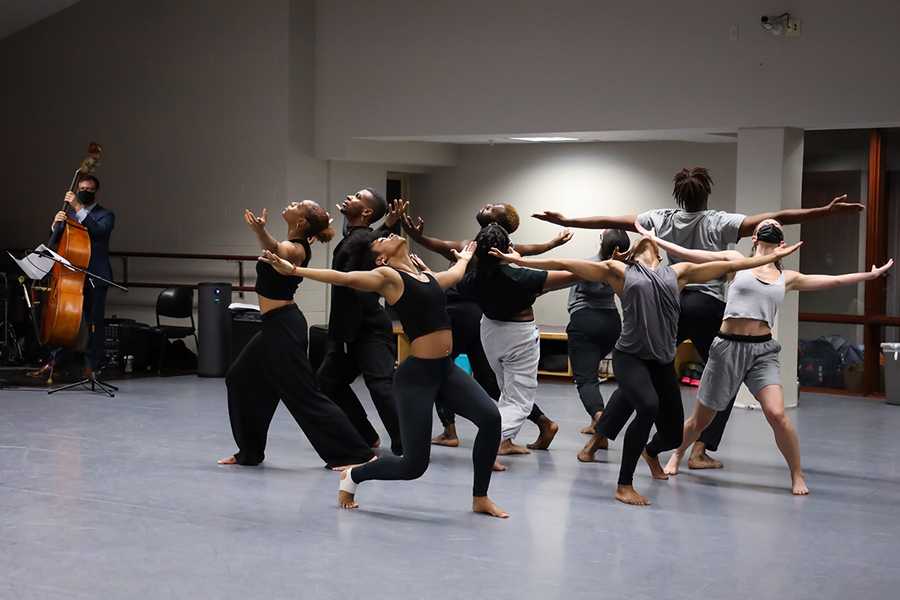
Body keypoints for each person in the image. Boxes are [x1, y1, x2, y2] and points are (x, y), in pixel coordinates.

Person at [533, 167, 865, 469]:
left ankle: (596, 440)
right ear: (706, 195)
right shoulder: (721, 221)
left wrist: (567, 222)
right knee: (728, 379)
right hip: (706, 307)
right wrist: (824, 211)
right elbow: (779, 215)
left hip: (671, 303)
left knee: (645, 368)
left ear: (678, 195)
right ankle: (700, 450)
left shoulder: (658, 218)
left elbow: (613, 221)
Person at [490, 234, 801, 505]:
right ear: (629, 252)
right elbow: (566, 264)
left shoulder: (678, 273)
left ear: (660, 254)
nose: (644, 238)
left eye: (649, 240)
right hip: (630, 357)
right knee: (647, 406)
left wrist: (771, 257)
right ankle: (624, 485)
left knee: (671, 432)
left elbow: (731, 267)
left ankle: (651, 452)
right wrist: (520, 261)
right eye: (639, 240)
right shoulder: (618, 271)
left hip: (662, 360)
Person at [635, 219, 893, 494]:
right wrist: (654, 240)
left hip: (763, 352)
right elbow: (690, 254)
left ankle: (797, 475)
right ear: (755, 238)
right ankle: (676, 455)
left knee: (777, 414)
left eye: (776, 227)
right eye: (765, 226)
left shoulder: (787, 277)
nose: (770, 227)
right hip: (727, 349)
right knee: (701, 421)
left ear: (782, 242)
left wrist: (870, 276)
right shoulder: (735, 261)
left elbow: (834, 280)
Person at [261, 235, 508, 518]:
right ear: (381, 259)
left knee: (490, 418)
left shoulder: (425, 277)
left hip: (446, 371)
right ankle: (354, 476)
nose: (388, 235)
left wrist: (464, 259)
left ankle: (480, 497)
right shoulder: (389, 277)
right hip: (417, 377)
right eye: (381, 240)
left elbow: (452, 275)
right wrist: (294, 270)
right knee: (413, 467)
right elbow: (345, 278)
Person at [401, 202, 572, 449]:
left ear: (496, 224)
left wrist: (419, 239)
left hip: (460, 315)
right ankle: (540, 423)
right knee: (490, 381)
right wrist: (551, 245)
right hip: (482, 320)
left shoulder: (472, 247)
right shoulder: (503, 247)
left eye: (493, 208)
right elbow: (530, 250)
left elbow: (440, 247)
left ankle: (451, 432)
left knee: (437, 368)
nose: (487, 205)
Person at [218, 201, 376, 470]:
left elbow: (278, 250)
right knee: (240, 378)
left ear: (301, 222)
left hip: (283, 328)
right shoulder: (297, 243)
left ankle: (356, 453)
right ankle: (250, 451)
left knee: (304, 395)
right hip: (273, 326)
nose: (292, 204)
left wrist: (260, 232)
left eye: (299, 205)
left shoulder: (296, 248)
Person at [457, 223, 581, 458]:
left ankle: (505, 442)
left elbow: (452, 281)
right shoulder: (519, 275)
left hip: (491, 333)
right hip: (517, 337)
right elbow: (575, 274)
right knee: (520, 402)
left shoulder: (472, 279)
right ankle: (491, 442)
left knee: (506, 390)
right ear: (507, 248)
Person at [316, 189, 404, 456]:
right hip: (347, 330)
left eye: (357, 197)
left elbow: (367, 242)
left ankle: (408, 442)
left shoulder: (363, 239)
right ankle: (366, 434)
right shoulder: (352, 237)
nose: (349, 197)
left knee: (380, 385)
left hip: (368, 327)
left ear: (366, 212)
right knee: (328, 380)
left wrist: (387, 226)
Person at [29, 175, 114, 379]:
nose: (84, 191)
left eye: (89, 189)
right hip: (69, 277)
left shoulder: (105, 215)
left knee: (93, 322)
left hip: (95, 276)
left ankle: (92, 365)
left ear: (97, 192)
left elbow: (96, 231)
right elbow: (57, 238)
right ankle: (55, 363)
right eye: (81, 188)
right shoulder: (71, 214)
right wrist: (55, 225)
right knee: (63, 321)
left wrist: (77, 207)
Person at [563, 229, 631, 459]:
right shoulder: (626, 267)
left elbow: (556, 281)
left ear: (601, 244)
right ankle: (596, 423)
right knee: (594, 377)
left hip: (585, 322)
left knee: (586, 380)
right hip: (612, 324)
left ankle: (603, 428)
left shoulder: (588, 265)